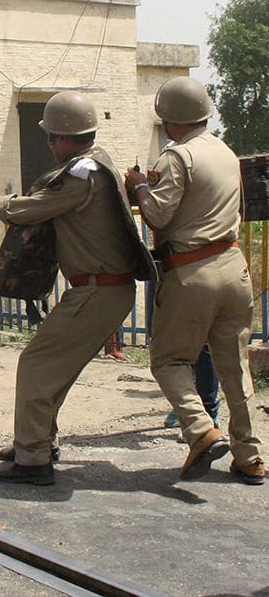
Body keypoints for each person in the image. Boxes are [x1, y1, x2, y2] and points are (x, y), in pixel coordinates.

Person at [0, 91, 156, 485]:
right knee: (54, 370)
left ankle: (33, 460)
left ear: (65, 137)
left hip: (98, 290)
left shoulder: (83, 173)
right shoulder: (97, 164)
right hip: (100, 289)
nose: (48, 143)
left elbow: (26, 209)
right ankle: (36, 441)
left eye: (51, 136)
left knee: (35, 363)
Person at [125, 76, 263, 485]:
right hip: (233, 265)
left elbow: (160, 216)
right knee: (235, 368)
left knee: (168, 360)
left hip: (191, 270)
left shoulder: (177, 156)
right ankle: (250, 456)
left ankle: (200, 429)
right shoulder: (226, 152)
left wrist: (139, 187)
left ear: (169, 119)